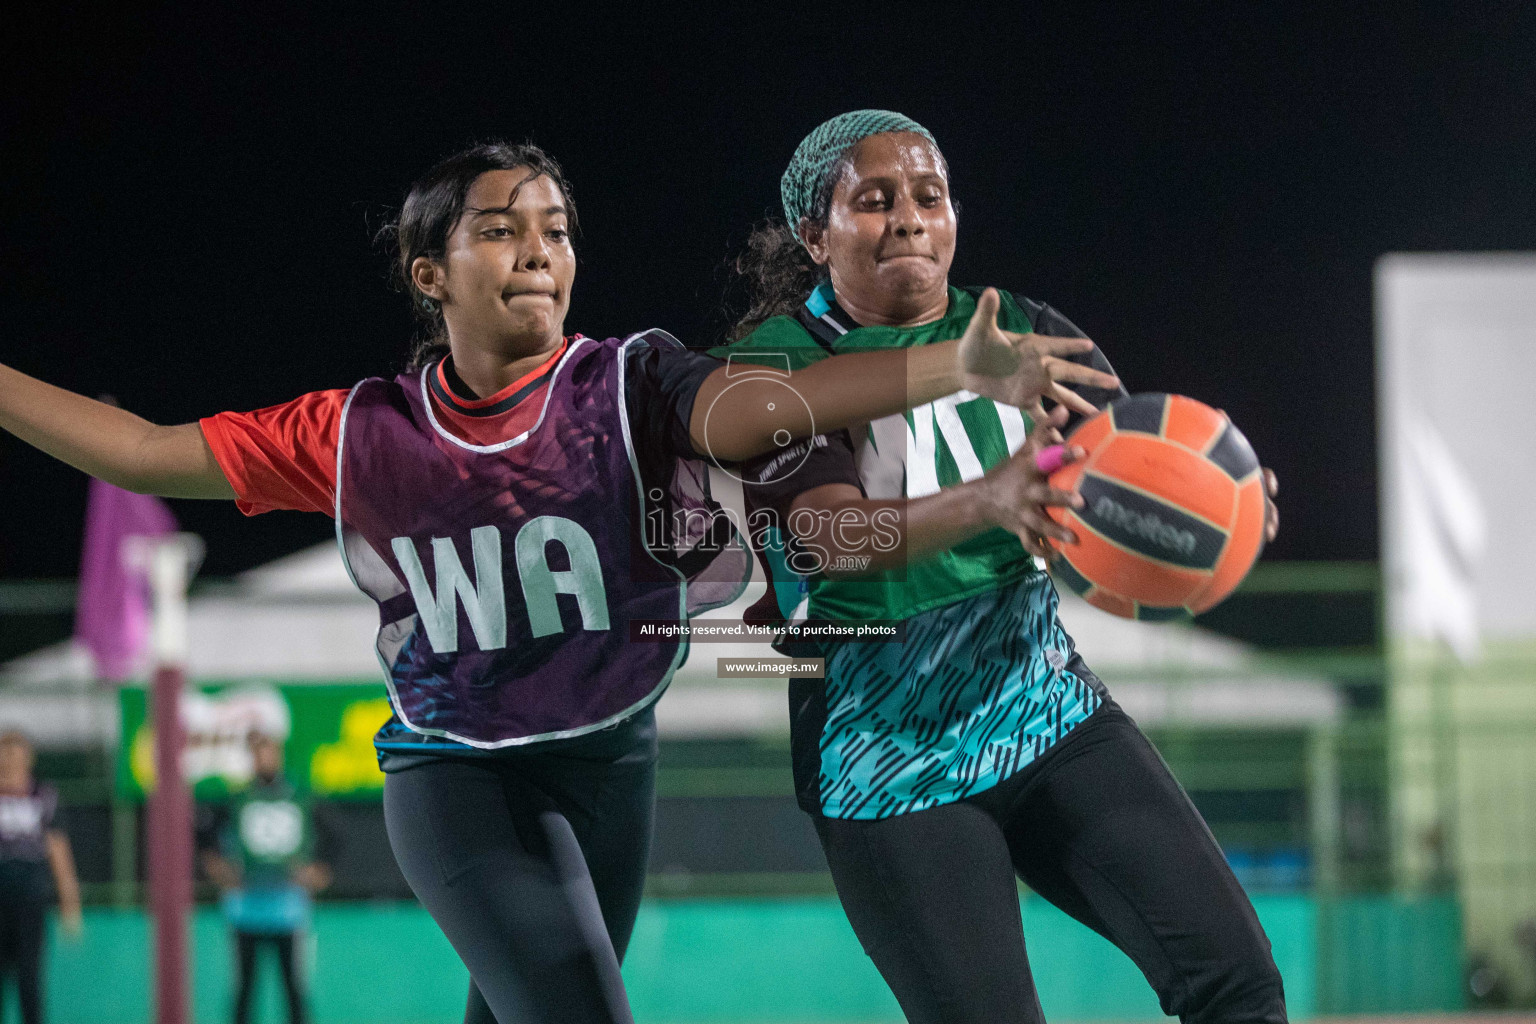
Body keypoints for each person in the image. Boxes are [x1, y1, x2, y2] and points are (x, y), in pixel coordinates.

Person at [0, 140, 1100, 1024]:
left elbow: (751, 412)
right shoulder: (360, 431)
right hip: (458, 771)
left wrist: (946, 364)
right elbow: (142, 451)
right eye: (501, 229)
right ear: (432, 274)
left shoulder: (631, 378)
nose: (540, 249)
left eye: (557, 229)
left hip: (611, 755)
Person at [719, 111, 1285, 1024]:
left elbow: (1122, 484)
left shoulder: (1023, 331)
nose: (909, 218)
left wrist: (1221, 508)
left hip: (1048, 711)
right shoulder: (775, 369)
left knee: (1238, 983)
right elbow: (829, 538)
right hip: (884, 760)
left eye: (929, 197)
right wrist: (988, 501)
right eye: (874, 201)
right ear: (814, 235)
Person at [201, 731, 330, 1024]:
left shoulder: (300, 796)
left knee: (294, 990)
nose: (265, 759)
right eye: (259, 753)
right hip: (245, 910)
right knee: (244, 991)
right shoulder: (236, 799)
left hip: (289, 911)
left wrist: (319, 872)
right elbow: (205, 838)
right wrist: (217, 868)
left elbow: (336, 836)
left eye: (271, 752)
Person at [0, 730, 82, 1024]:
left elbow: (59, 851)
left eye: (15, 752)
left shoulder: (43, 796)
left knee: (29, 975)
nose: (8, 759)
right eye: (4, 752)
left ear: (28, 758)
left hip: (29, 898)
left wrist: (69, 903)